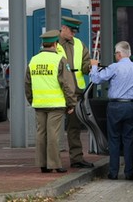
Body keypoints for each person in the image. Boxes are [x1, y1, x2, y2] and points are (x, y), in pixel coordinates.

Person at [89, 41, 133, 180]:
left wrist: (94, 65)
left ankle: (113, 172)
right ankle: (129, 172)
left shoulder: (114, 67)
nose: (115, 56)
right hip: (131, 106)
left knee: (114, 139)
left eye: (116, 53)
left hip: (115, 106)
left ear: (119, 54)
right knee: (128, 139)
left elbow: (96, 79)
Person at [25, 29, 77, 173]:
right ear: (55, 43)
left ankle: (42, 164)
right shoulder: (59, 60)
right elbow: (66, 84)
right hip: (56, 104)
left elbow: (27, 84)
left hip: (39, 103)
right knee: (53, 134)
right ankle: (54, 164)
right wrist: (71, 103)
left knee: (41, 133)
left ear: (43, 44)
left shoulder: (33, 60)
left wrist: (32, 100)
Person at [57, 16, 94, 168]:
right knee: (53, 129)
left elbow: (85, 64)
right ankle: (51, 161)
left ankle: (76, 159)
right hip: (58, 92)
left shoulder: (79, 44)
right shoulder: (54, 44)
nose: (74, 34)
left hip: (76, 92)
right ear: (63, 28)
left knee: (74, 128)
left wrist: (90, 66)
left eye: (75, 31)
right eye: (71, 31)